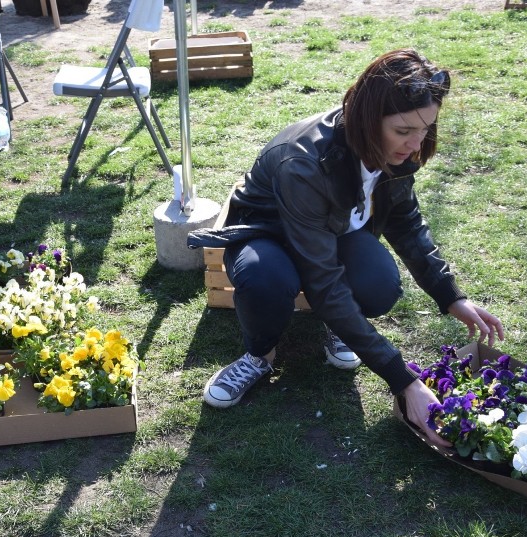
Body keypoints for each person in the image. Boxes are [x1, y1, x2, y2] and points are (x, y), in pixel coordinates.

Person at [187, 48, 504, 446]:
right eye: (404, 131)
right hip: (266, 232)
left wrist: (450, 295)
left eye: (425, 129)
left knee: (380, 284)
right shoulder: (303, 164)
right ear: (369, 120)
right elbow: (322, 279)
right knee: (264, 278)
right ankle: (260, 355)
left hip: (330, 230)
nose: (415, 143)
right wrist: (404, 381)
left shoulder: (399, 149)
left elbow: (406, 222)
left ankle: (339, 326)